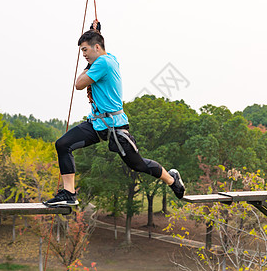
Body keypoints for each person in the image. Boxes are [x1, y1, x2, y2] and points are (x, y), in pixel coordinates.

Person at [44, 24, 185, 207]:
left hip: (114, 126)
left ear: (97, 47)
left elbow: (79, 84)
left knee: (138, 165)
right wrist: (95, 34)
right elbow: (86, 75)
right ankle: (69, 194)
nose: (84, 55)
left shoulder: (103, 62)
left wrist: (89, 62)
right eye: (81, 51)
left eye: (85, 50)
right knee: (63, 144)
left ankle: (172, 179)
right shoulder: (108, 59)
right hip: (97, 124)